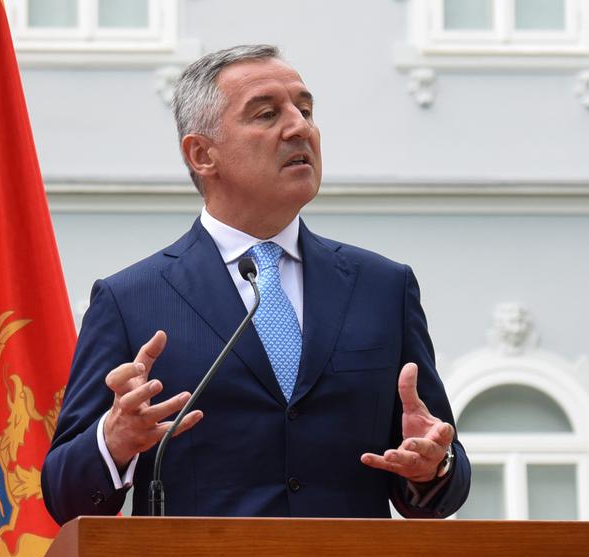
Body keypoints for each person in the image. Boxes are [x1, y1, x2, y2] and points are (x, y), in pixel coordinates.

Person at [41, 44, 470, 523]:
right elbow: (63, 494)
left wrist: (432, 467)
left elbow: (441, 473)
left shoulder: (383, 288)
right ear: (202, 154)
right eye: (267, 114)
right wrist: (115, 439)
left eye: (305, 110)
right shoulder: (131, 300)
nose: (299, 127)